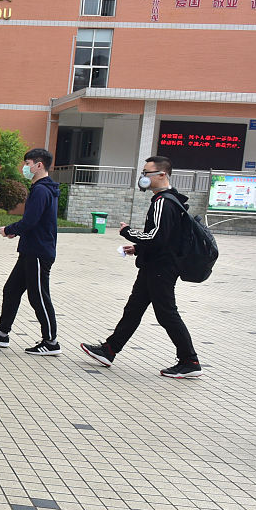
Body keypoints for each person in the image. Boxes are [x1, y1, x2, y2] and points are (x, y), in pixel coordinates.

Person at [81, 155, 202, 378]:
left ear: (162, 174)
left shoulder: (163, 202)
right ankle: (109, 350)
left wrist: (128, 232)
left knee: (167, 314)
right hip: (154, 265)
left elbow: (155, 236)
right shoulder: (170, 200)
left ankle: (190, 360)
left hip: (160, 269)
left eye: (147, 173)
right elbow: (166, 238)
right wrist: (138, 249)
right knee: (134, 309)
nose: (143, 177)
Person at [0, 148, 61, 356]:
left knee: (39, 296)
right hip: (30, 250)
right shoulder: (40, 188)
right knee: (11, 290)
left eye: (27, 163)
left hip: (39, 252)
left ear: (39, 165)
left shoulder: (42, 190)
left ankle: (51, 342)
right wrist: (18, 232)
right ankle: (2, 333)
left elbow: (31, 221)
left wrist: (10, 230)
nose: (25, 167)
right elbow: (34, 221)